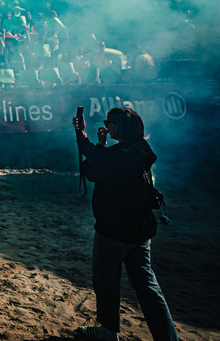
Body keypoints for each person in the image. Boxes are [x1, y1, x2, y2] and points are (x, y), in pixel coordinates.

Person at [73, 107, 177, 341]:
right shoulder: (141, 148)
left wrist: (95, 143)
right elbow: (102, 159)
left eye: (108, 122)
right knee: (148, 287)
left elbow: (91, 169)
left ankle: (109, 332)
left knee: (107, 282)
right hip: (140, 229)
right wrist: (87, 137)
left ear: (119, 127)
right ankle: (168, 337)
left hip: (114, 229)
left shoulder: (119, 155)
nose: (106, 126)